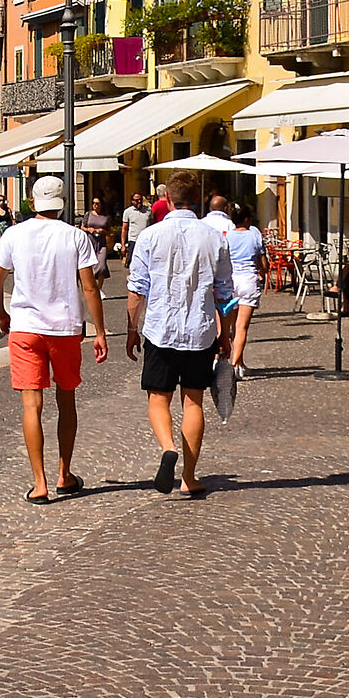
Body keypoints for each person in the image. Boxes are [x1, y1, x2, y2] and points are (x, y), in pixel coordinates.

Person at [0, 175, 108, 504]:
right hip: (65, 328)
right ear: (63, 202)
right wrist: (99, 330)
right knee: (66, 400)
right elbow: (89, 288)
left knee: (32, 405)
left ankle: (39, 484)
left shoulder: (14, 234)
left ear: (32, 202)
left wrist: (2, 315)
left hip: (25, 328)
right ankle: (63, 474)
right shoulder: (75, 237)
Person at [125, 170, 232, 499]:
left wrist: (132, 329)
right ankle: (189, 477)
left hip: (161, 329)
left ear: (167, 200)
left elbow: (137, 288)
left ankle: (168, 447)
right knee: (194, 401)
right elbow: (225, 292)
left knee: (158, 399)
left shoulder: (150, 236)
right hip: (200, 331)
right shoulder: (214, 237)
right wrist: (225, 334)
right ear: (198, 200)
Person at [223, 202, 265, 375]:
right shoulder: (254, 235)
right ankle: (235, 365)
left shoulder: (226, 236)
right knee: (241, 327)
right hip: (248, 279)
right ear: (247, 219)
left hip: (230, 280)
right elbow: (262, 262)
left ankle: (237, 361)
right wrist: (262, 272)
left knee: (230, 327)